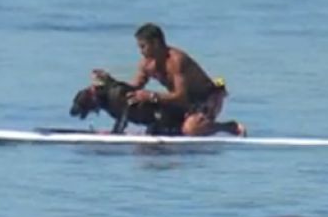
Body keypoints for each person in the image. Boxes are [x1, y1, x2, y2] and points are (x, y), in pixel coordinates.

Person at [93, 23, 246, 137]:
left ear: (156, 43)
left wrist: (151, 96)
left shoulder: (176, 61)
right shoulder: (146, 63)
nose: (140, 51)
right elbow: (134, 88)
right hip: (184, 102)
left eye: (143, 46)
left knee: (191, 129)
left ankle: (228, 127)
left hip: (208, 96)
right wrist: (110, 82)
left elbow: (181, 96)